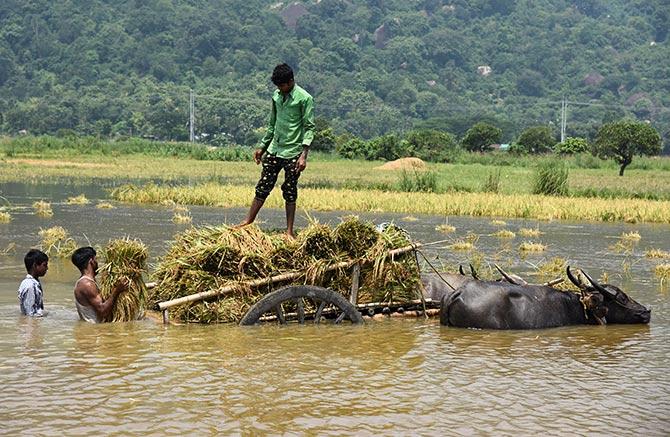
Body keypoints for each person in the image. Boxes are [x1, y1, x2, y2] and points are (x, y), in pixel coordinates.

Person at [238, 63, 315, 238]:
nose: (280, 88)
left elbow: (309, 128)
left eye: (283, 85)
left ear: (291, 81)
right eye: (278, 86)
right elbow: (272, 125)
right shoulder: (276, 96)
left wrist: (303, 156)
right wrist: (262, 147)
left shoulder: (304, 98)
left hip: (293, 152)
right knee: (263, 185)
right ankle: (248, 221)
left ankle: (289, 231)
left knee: (289, 189)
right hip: (275, 149)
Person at [71, 246, 127, 323]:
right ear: (91, 261)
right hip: (93, 332)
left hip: (91, 330)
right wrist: (117, 290)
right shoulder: (87, 284)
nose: (97, 263)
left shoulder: (87, 282)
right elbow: (102, 311)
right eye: (96, 259)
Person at [17, 249, 49, 317]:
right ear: (35, 265)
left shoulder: (33, 282)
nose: (47, 268)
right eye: (45, 265)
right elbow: (30, 314)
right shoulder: (30, 286)